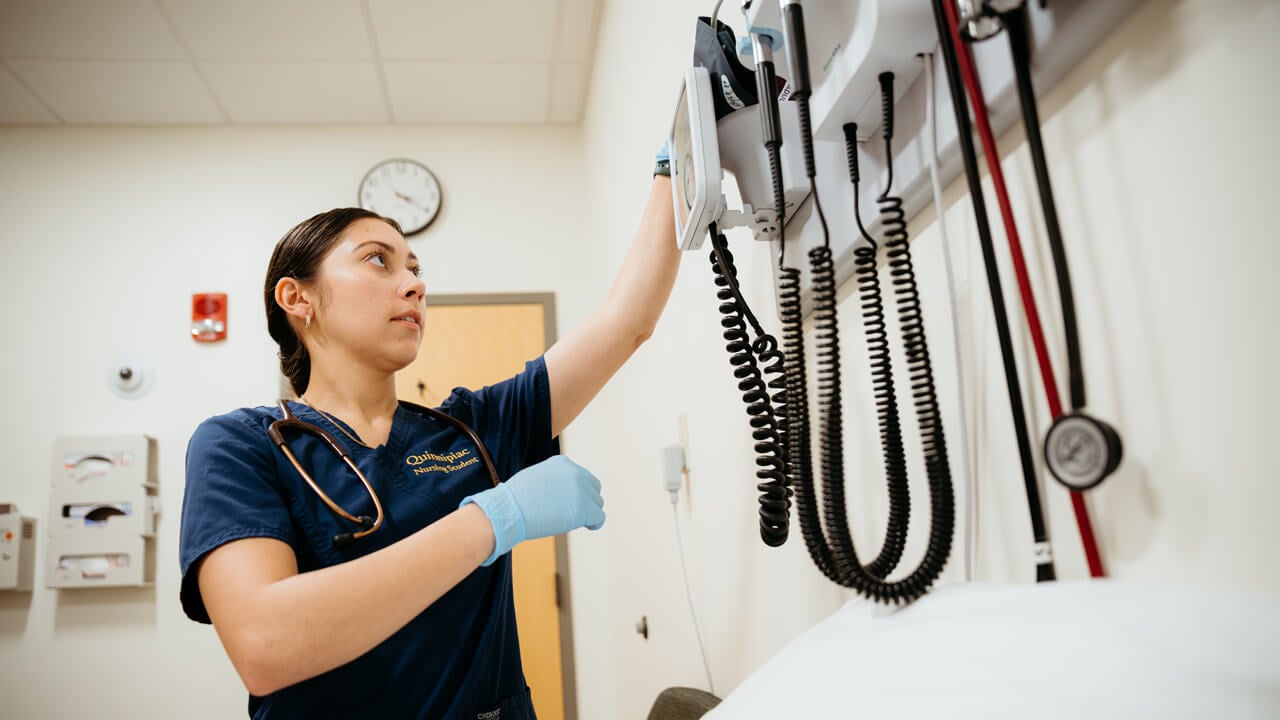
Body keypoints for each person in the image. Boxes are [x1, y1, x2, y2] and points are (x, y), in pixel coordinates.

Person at [179, 150, 678, 719]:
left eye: (416, 270)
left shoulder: (472, 428)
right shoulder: (242, 445)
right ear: (299, 298)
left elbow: (629, 319)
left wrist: (673, 166)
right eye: (378, 262)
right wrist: (495, 519)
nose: (413, 285)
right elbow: (266, 645)